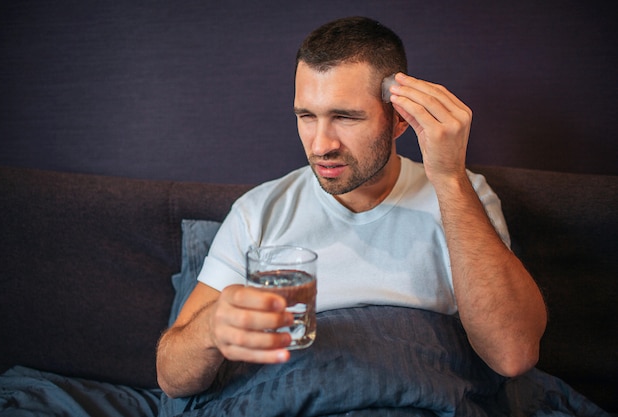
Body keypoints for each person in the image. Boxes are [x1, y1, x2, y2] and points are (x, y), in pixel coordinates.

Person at [156, 16, 547, 399]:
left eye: (345, 117)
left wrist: (449, 179)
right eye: (306, 116)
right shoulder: (259, 211)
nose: (321, 144)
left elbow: (513, 355)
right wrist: (209, 329)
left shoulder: (463, 195)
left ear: (398, 120)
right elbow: (172, 379)